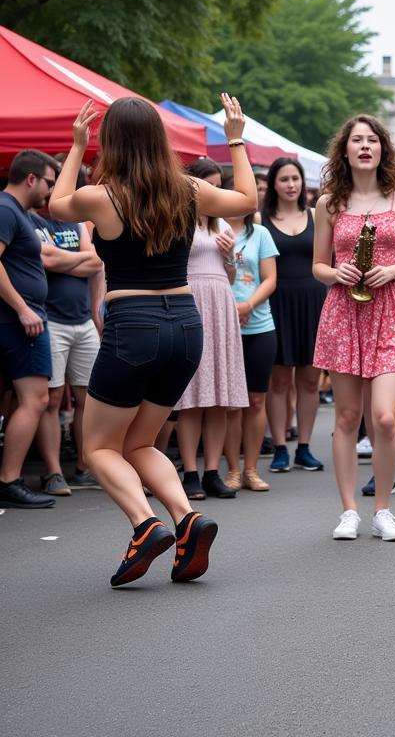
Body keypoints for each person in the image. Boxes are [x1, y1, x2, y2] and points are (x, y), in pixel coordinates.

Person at [48, 94, 257, 585]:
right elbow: (247, 202)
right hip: (186, 324)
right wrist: (235, 139)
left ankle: (146, 525)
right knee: (140, 441)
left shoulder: (103, 196)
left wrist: (77, 147)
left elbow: (57, 206)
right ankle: (187, 519)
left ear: (112, 142)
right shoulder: (187, 189)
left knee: (99, 446)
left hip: (133, 323)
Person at [313, 115, 395, 541]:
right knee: (346, 416)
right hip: (344, 310)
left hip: (391, 308)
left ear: (382, 149)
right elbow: (317, 265)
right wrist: (334, 273)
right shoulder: (328, 203)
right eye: (356, 140)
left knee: (383, 416)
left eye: (372, 140)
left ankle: (383, 509)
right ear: (344, 150)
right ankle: (349, 511)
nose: (365, 146)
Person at [174, 159, 249, 500]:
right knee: (192, 395)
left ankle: (212, 471)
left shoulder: (224, 228)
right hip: (192, 300)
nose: (216, 192)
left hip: (221, 302)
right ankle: (190, 471)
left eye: (220, 185)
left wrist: (230, 255)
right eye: (211, 185)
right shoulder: (177, 222)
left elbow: (230, 277)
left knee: (219, 395)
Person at [31, 168, 104, 497]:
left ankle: (85, 466)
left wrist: (64, 260)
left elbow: (96, 262)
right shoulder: (32, 220)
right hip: (52, 319)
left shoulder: (75, 221)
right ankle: (53, 471)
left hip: (82, 321)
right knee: (53, 399)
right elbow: (42, 259)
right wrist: (78, 259)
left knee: (89, 397)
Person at [0, 150, 61, 508]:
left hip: (22, 318)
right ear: (31, 179)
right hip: (20, 321)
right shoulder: (8, 209)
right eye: (49, 183)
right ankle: (9, 480)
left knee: (31, 400)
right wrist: (23, 309)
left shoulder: (16, 212)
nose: (51, 192)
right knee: (35, 400)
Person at [263, 157, 326, 474]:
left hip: (314, 301)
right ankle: (278, 447)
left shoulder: (316, 215)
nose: (291, 185)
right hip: (276, 301)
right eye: (284, 179)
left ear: (303, 183)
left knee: (311, 380)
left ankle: (304, 447)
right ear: (274, 184)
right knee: (279, 380)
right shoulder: (262, 220)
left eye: (295, 179)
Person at [223, 208, 278, 492]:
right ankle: (232, 469)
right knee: (232, 405)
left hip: (259, 325)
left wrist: (247, 305)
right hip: (223, 325)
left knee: (256, 400)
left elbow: (270, 279)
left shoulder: (261, 234)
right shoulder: (213, 233)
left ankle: (252, 470)